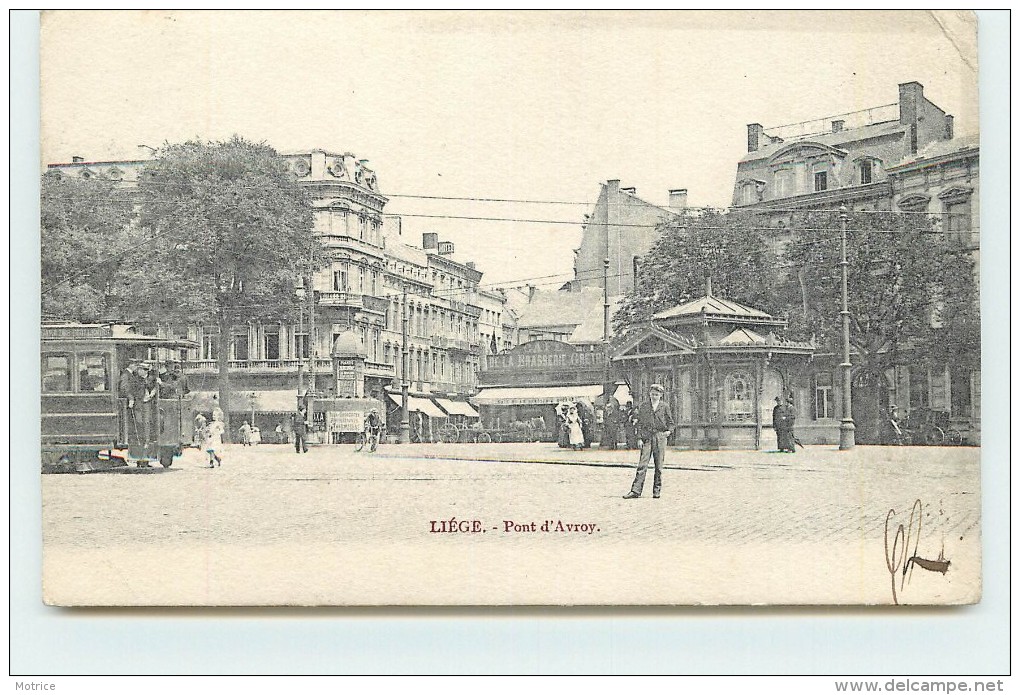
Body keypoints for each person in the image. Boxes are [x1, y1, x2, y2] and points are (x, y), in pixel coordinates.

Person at [624, 384, 675, 499]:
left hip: (660, 437)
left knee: (659, 466)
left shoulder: (664, 407)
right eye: (652, 394)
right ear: (649, 394)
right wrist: (639, 439)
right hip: (647, 437)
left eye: (657, 395)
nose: (654, 397)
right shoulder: (644, 406)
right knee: (642, 465)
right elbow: (640, 424)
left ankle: (656, 491)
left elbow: (671, 422)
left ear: (661, 395)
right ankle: (635, 491)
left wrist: (668, 432)